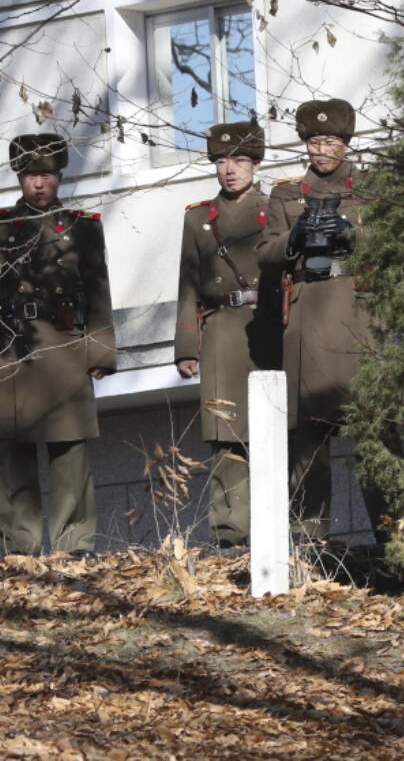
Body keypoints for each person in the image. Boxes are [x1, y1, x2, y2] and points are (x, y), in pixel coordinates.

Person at [0, 133, 116, 556]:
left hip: (68, 342)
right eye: (31, 174)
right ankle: (20, 548)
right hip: (14, 345)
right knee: (14, 453)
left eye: (46, 174)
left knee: (70, 451)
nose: (38, 183)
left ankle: (75, 545)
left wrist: (101, 351)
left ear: (60, 176)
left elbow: (99, 288)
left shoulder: (83, 227)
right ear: (19, 176)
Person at [255, 98, 386, 544]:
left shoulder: (372, 185)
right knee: (308, 445)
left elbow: (395, 243)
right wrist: (293, 235)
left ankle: (397, 543)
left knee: (376, 436)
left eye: (331, 141)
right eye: (314, 141)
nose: (322, 150)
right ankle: (311, 550)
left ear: (346, 142)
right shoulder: (287, 193)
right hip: (308, 318)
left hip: (361, 318)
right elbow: (265, 255)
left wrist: (353, 233)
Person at [174, 120, 278, 547]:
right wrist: (186, 346)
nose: (230, 169)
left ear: (255, 163)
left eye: (239, 160)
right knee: (226, 438)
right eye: (221, 160)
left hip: (271, 327)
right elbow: (187, 286)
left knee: (275, 431)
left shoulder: (276, 210)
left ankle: (278, 529)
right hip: (220, 334)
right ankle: (230, 534)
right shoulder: (199, 219)